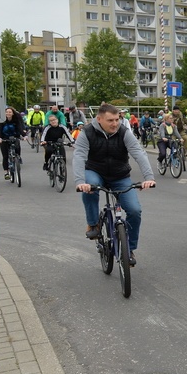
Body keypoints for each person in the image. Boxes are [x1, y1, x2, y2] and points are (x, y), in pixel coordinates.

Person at [74, 103, 155, 266]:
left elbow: (138, 153)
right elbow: (79, 156)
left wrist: (149, 177)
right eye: (110, 120)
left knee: (134, 210)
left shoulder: (124, 132)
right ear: (99, 119)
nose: (115, 124)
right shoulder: (87, 133)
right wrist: (80, 182)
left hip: (119, 175)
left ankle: (129, 249)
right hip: (95, 172)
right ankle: (93, 224)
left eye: (117, 120)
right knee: (90, 186)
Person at [0, 107, 27, 180]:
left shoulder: (16, 120)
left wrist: (24, 135)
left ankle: (18, 158)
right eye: (7, 112)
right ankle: (6, 172)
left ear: (12, 113)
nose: (8, 113)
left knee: (17, 147)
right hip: (4, 139)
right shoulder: (2, 121)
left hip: (14, 137)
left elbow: (20, 128)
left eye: (10, 112)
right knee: (5, 156)